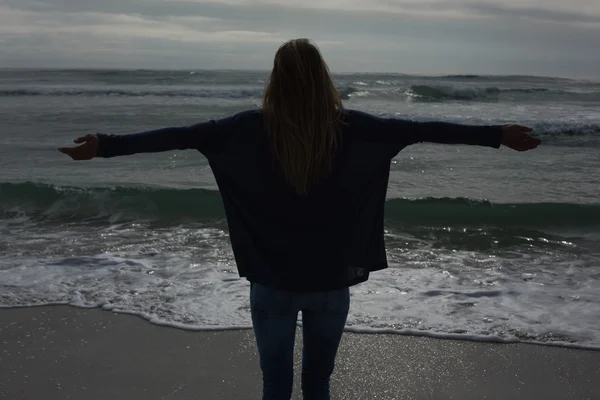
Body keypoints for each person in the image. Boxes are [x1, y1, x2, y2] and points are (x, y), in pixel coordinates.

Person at [59, 38, 540, 400]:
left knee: (275, 382)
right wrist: (497, 135)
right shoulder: (360, 130)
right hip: (331, 283)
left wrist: (106, 146)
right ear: (323, 78)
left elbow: (175, 136)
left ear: (276, 79)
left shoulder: (243, 129)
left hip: (271, 282)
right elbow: (427, 129)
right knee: (317, 384)